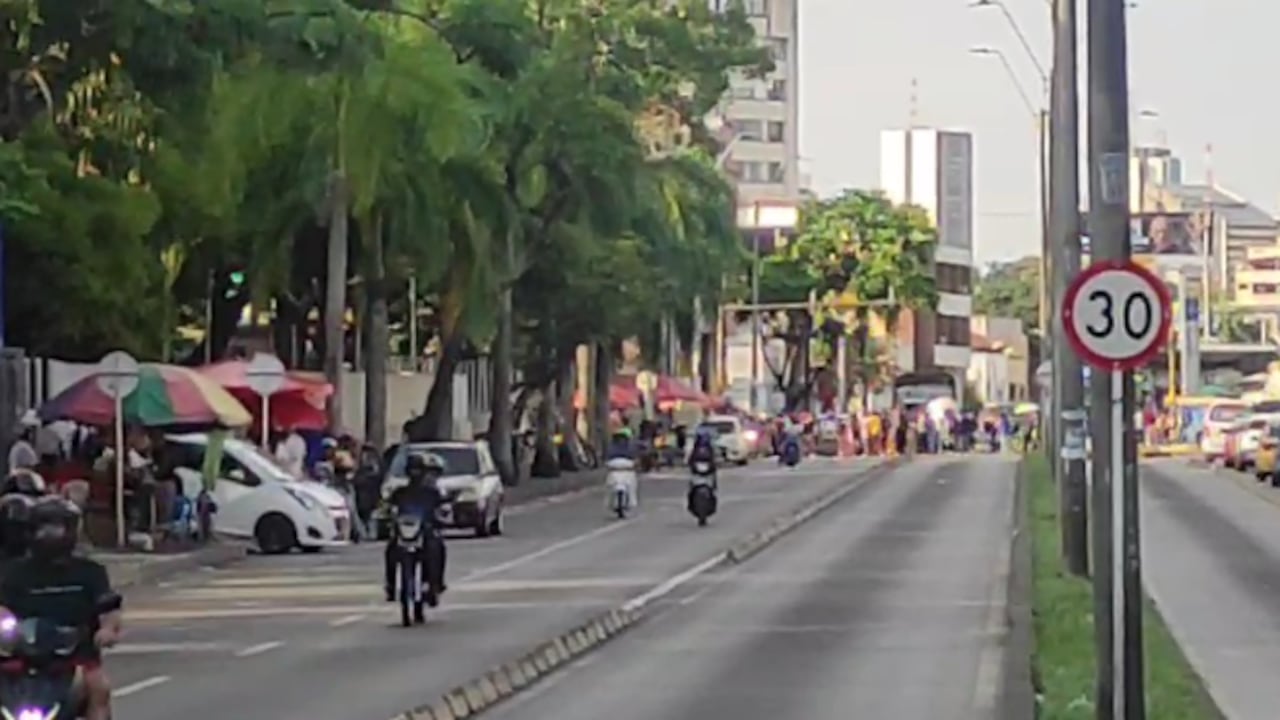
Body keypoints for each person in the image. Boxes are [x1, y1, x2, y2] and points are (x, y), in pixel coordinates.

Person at [0, 498, 122, 720]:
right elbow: (2, 606)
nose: (50, 535)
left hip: (76, 658)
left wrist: (107, 630)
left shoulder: (90, 571)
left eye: (57, 528)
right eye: (43, 528)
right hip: (21, 657)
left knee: (98, 689)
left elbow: (109, 609)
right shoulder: (13, 572)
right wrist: (6, 623)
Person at [383, 452, 447, 605]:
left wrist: (440, 517)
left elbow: (442, 508)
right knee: (390, 551)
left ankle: (435, 584)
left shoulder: (432, 492)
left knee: (437, 548)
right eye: (412, 470)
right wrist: (387, 516)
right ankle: (390, 586)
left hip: (425, 530)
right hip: (404, 532)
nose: (415, 474)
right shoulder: (400, 492)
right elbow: (388, 508)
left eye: (418, 470)